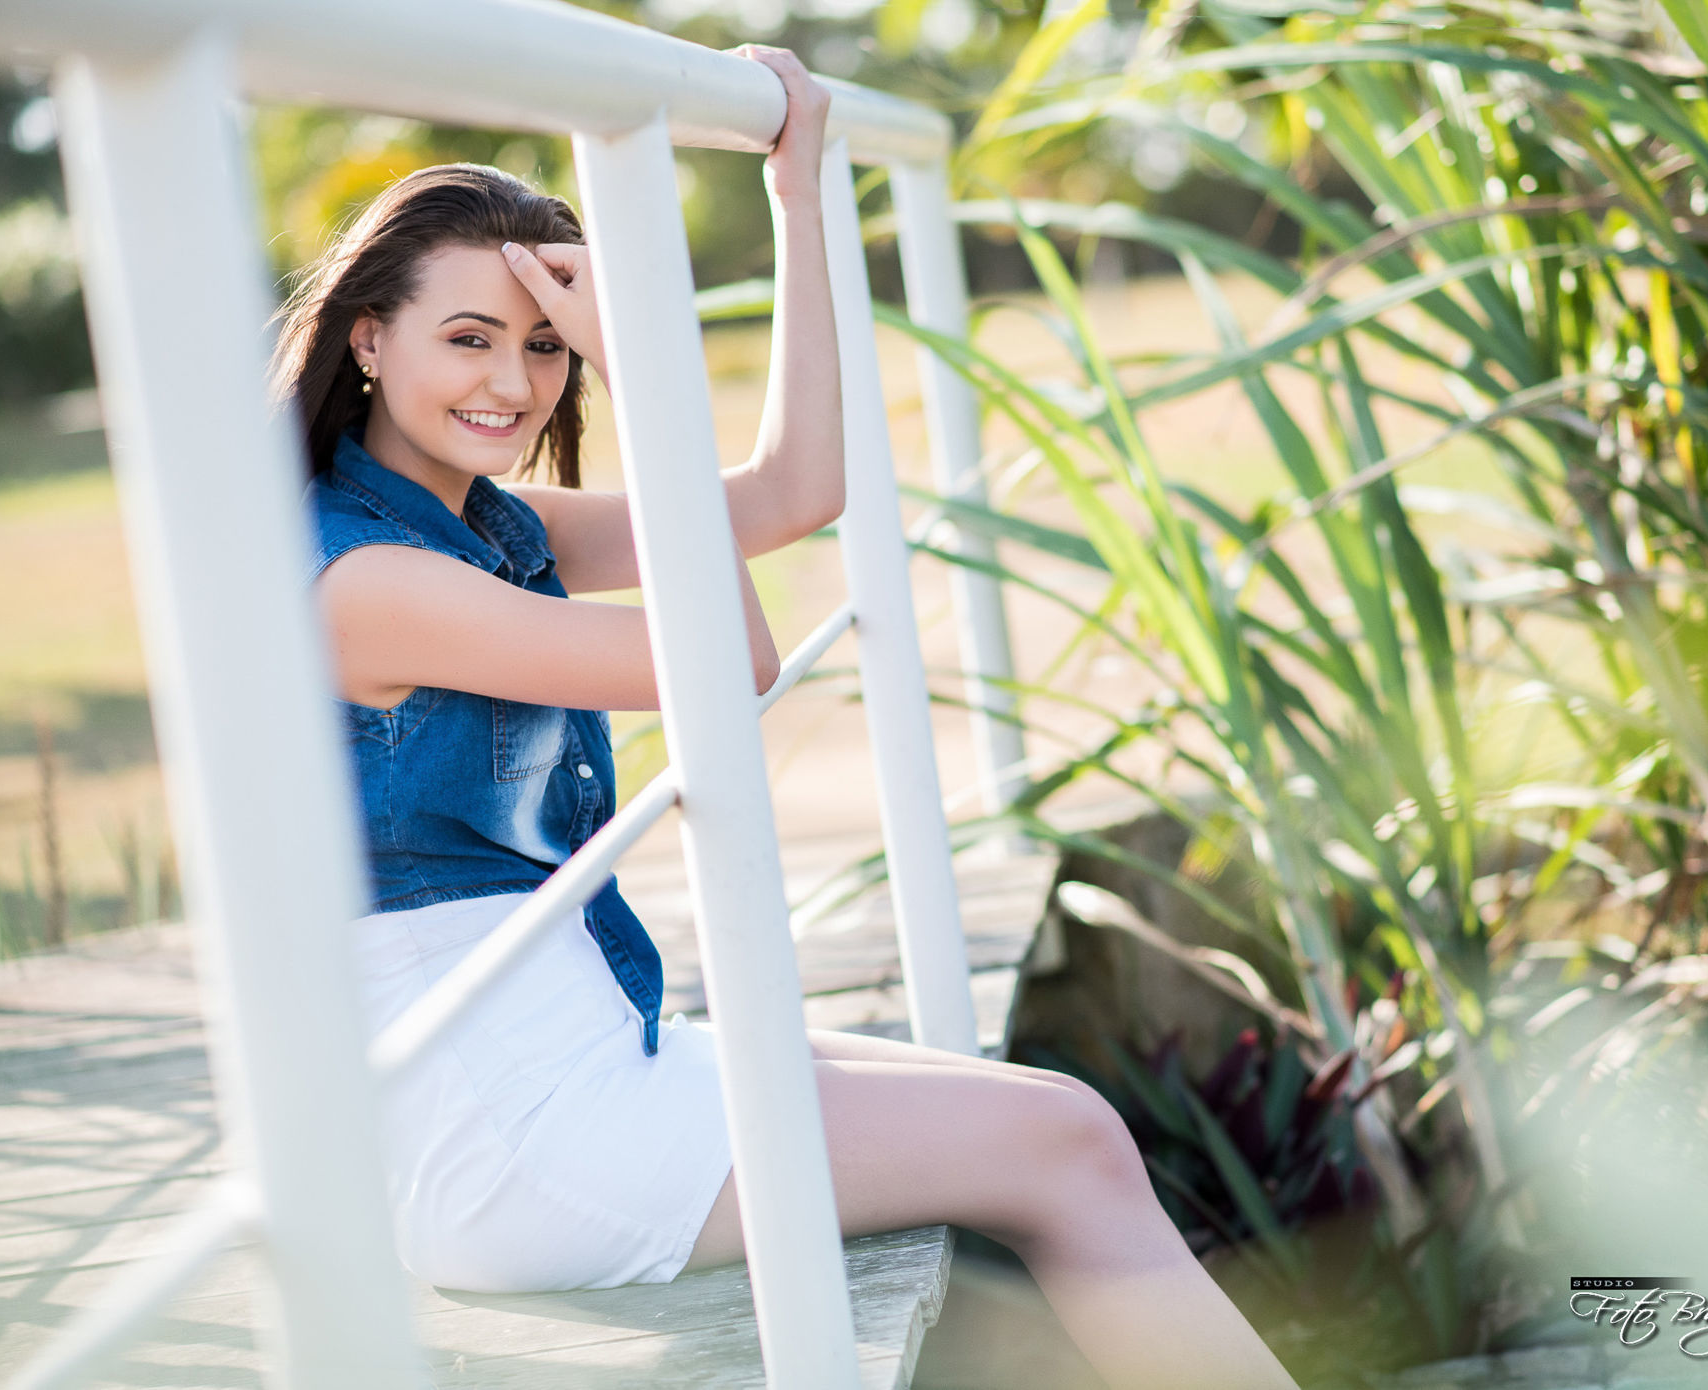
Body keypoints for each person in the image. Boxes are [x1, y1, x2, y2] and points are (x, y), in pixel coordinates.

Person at [271, 44, 1299, 1390]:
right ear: (367, 336)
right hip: (513, 1132)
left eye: (544, 344)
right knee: (1068, 1149)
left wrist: (799, 196)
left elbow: (796, 488)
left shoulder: (478, 525)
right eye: (469, 338)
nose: (514, 385)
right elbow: (733, 654)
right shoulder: (372, 581)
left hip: (579, 1045)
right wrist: (640, 366)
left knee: (1069, 1122)